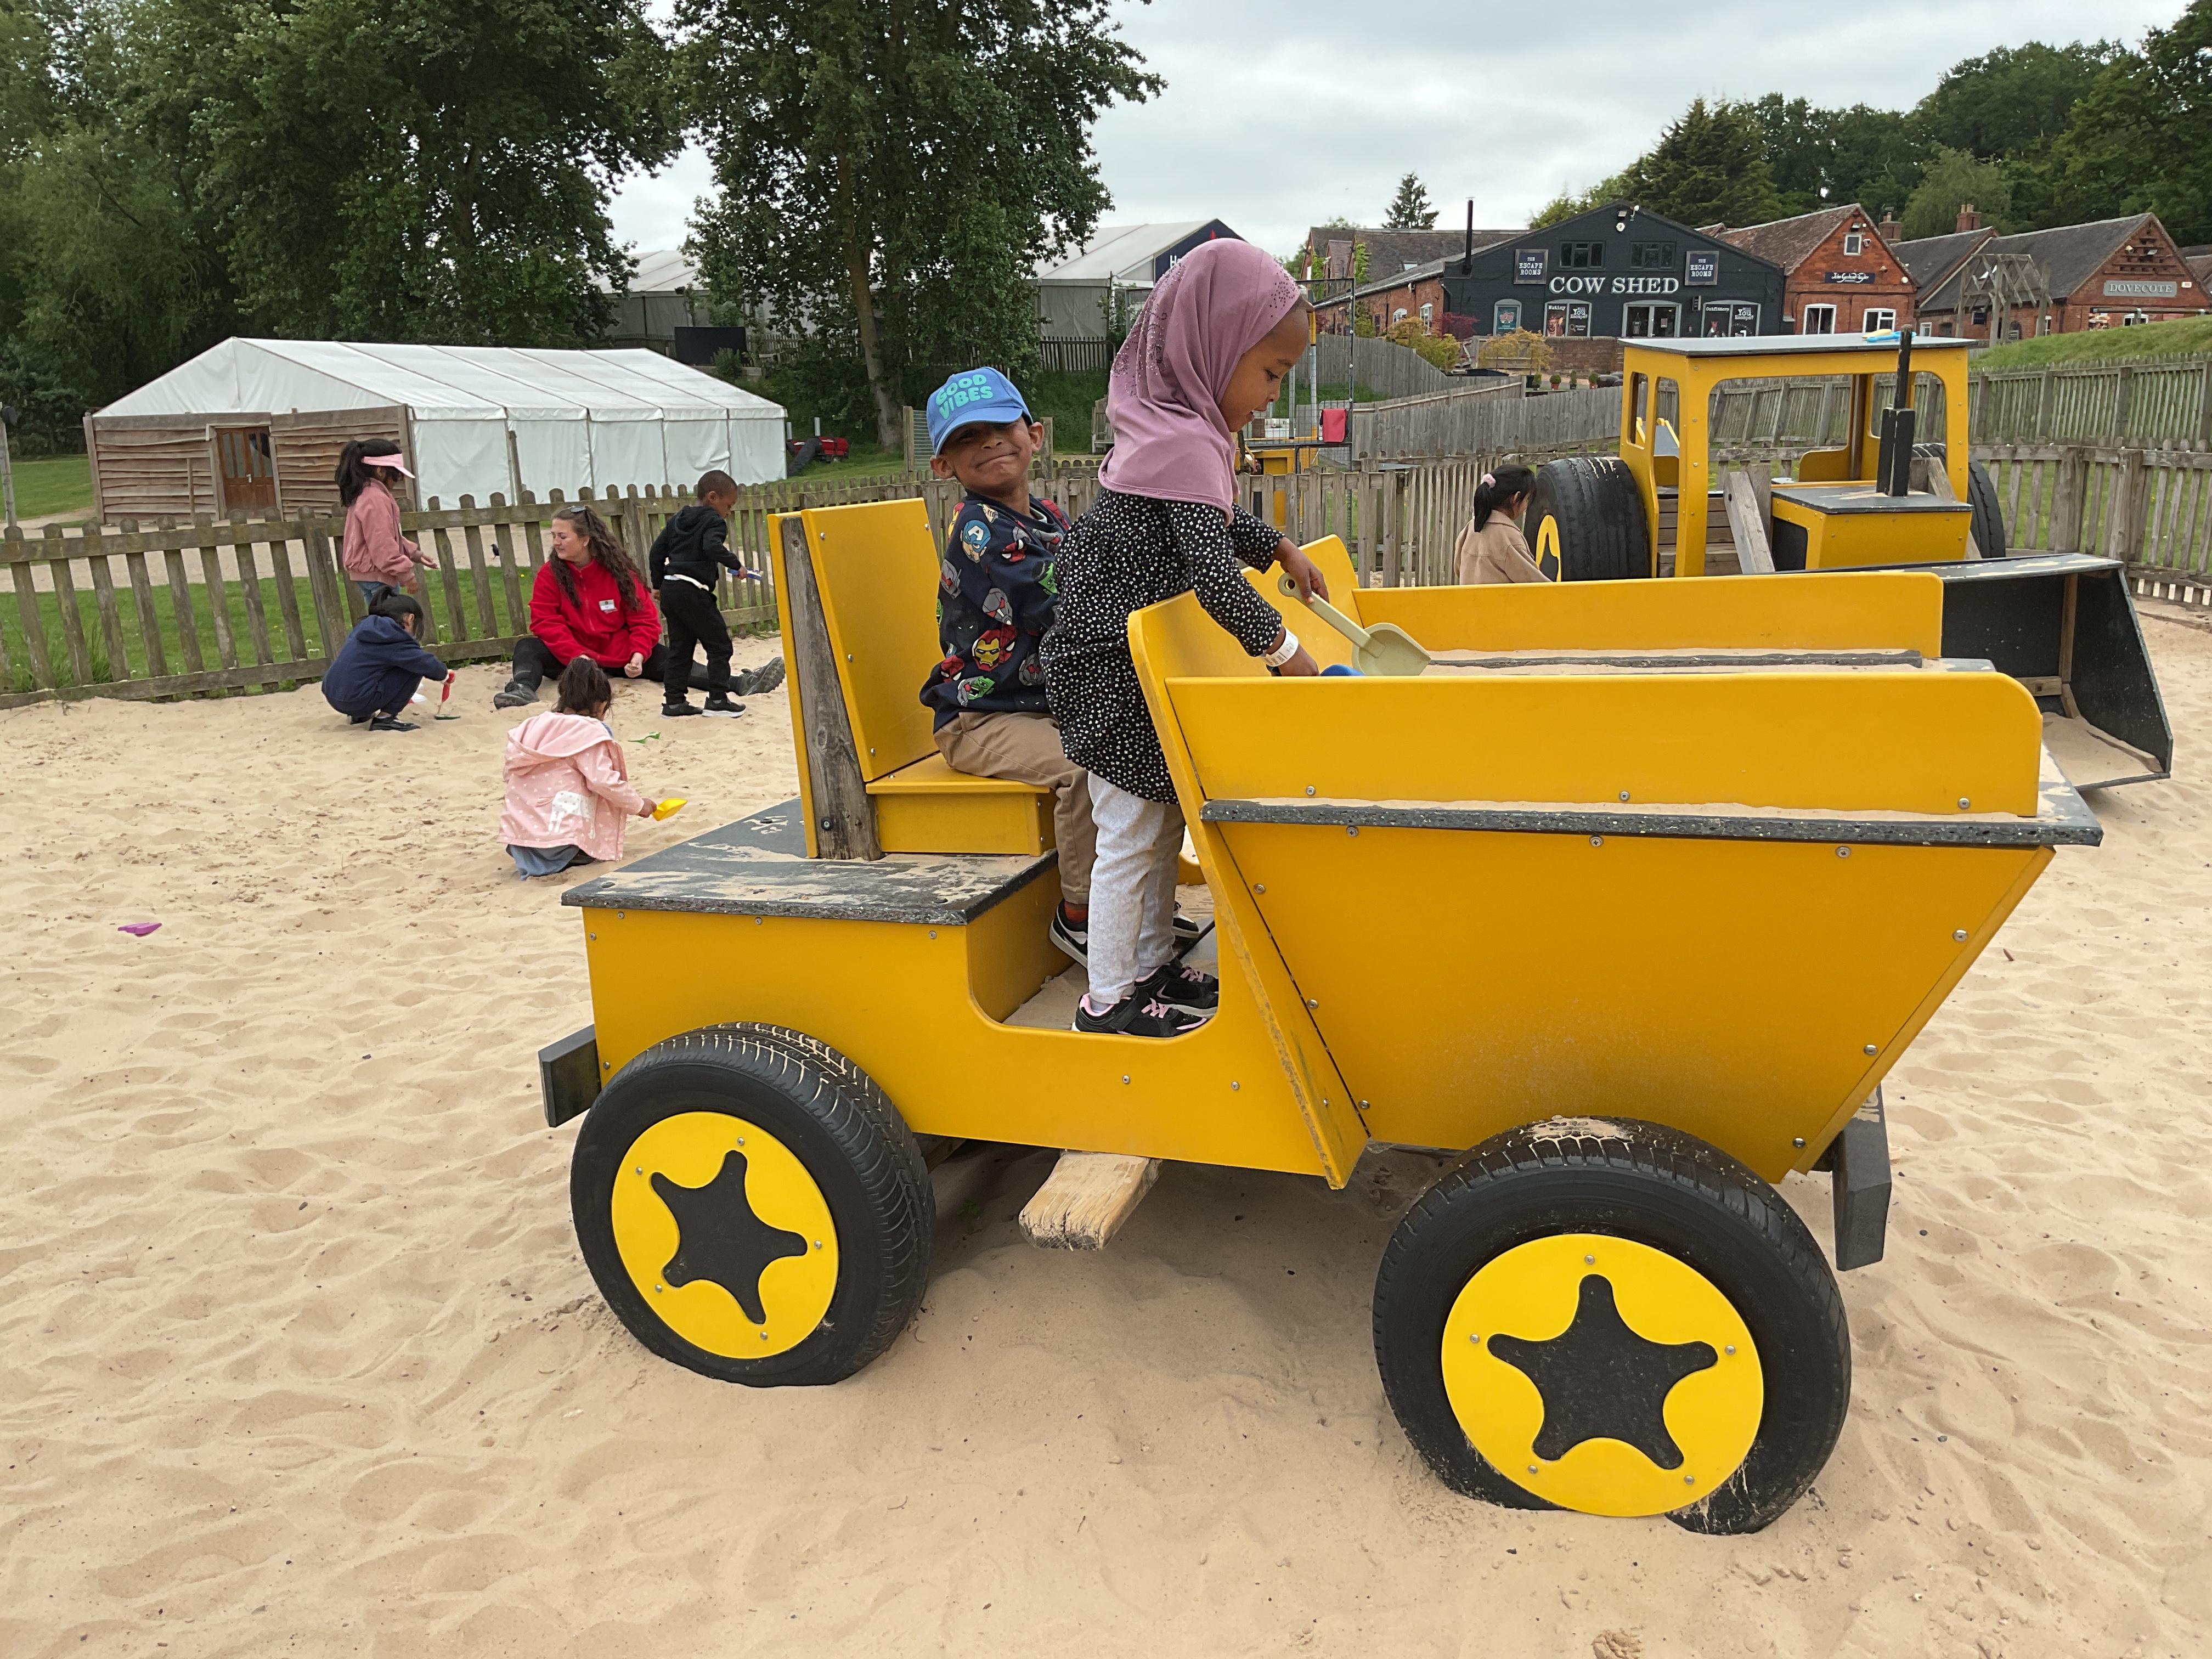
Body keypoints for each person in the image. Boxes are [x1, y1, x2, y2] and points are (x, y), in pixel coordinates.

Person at [1042, 239, 1330, 1038]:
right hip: (1110, 673)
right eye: (1269, 372)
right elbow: (1212, 575)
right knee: (1131, 837)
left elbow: (1208, 520)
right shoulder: (1185, 441)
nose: (1271, 396)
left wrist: (1277, 545)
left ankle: (1148, 969)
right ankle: (1107, 1000)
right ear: (1212, 348)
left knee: (1162, 826)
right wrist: (1286, 655)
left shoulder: (1168, 428)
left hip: (1132, 665)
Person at [917, 367, 1102, 962]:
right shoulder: (979, 529)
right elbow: (1058, 606)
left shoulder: (1048, 516)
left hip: (1038, 708)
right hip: (979, 718)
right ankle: (1082, 916)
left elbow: (1090, 575)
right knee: (1083, 767)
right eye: (968, 438)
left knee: (1135, 744)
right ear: (944, 465)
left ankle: (1137, 899)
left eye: (1002, 426)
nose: (991, 442)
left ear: (1035, 435)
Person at [492, 506, 673, 709]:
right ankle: (522, 688)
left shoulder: (620, 573)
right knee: (528, 647)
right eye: (554, 536)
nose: (556, 542)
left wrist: (639, 653)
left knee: (677, 664)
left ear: (585, 540)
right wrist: (577, 656)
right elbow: (545, 621)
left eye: (563, 537)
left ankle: (703, 688)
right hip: (572, 661)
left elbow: (644, 619)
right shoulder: (549, 575)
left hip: (621, 656)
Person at [500, 657, 663, 879]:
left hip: (520, 838)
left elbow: (508, 774)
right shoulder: (588, 732)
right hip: (560, 841)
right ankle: (567, 853)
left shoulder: (532, 727)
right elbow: (603, 781)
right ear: (600, 705)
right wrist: (638, 805)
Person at [646, 469, 786, 718]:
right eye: (728, 505)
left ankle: (674, 703)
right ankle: (718, 700)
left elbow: (657, 552)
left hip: (671, 588)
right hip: (692, 590)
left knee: (680, 647)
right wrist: (736, 564)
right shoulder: (714, 521)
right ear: (712, 497)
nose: (728, 512)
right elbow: (711, 546)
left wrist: (657, 584)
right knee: (720, 645)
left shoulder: (678, 519)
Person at [320, 584, 452, 732]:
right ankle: (385, 718)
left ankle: (360, 715)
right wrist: (444, 674)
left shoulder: (366, 628)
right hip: (356, 700)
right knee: (414, 667)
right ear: (410, 619)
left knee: (372, 668)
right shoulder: (395, 637)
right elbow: (426, 664)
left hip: (332, 694)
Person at [336, 441, 437, 605]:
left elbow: (384, 536)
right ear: (380, 471)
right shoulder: (375, 499)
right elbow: (382, 543)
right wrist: (406, 575)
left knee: (378, 619)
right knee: (390, 619)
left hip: (368, 574)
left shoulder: (364, 494)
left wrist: (414, 554)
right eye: (395, 476)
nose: (395, 482)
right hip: (379, 576)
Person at [1453, 465, 1545, 584]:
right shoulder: (1508, 537)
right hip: (1499, 597)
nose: (1526, 507)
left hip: (1470, 596)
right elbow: (1534, 583)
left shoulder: (1471, 527)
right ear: (1516, 498)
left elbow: (1458, 568)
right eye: (1526, 500)